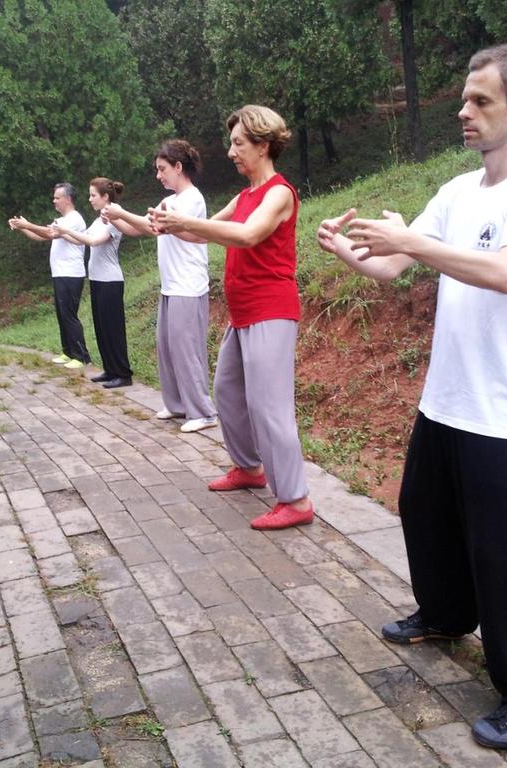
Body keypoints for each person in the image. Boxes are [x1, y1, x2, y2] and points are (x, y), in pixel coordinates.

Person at [317, 44, 507, 749]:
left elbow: (506, 272)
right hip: (446, 402)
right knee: (422, 512)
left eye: (481, 100)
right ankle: (446, 614)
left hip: (504, 417)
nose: (465, 111)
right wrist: (351, 248)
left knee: (504, 559)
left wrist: (412, 245)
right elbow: (394, 264)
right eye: (463, 99)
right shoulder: (458, 193)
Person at [150, 106, 313, 531]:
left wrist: (183, 220)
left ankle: (295, 499)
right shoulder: (244, 197)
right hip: (242, 315)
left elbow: (246, 235)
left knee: (269, 406)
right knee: (226, 392)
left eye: (239, 143)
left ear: (263, 145)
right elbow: (196, 232)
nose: (231, 152)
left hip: (271, 311)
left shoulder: (279, 193)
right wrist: (167, 224)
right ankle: (249, 468)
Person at [103, 140, 219, 433]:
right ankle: (178, 404)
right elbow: (143, 228)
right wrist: (116, 219)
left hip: (188, 286)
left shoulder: (192, 198)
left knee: (186, 349)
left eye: (162, 169)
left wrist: (120, 212)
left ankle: (204, 412)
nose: (158, 175)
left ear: (179, 167)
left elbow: (156, 226)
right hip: (171, 286)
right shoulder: (174, 201)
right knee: (167, 347)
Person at [50, 177, 133, 388]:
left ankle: (123, 373)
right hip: (97, 280)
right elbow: (81, 239)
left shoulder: (112, 219)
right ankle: (110, 369)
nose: (90, 199)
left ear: (105, 197)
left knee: (113, 329)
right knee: (101, 328)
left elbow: (94, 242)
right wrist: (61, 233)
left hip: (111, 281)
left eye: (93, 195)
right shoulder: (98, 220)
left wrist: (65, 230)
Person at [9, 183, 90, 369]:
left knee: (69, 314)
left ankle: (81, 355)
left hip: (71, 274)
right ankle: (68, 352)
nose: (54, 201)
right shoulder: (61, 221)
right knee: (61, 314)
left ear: (68, 199)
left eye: (57, 198)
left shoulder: (74, 219)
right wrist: (22, 227)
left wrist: (27, 223)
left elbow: (49, 233)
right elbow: (42, 236)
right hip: (60, 273)